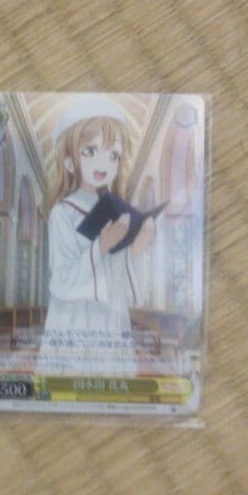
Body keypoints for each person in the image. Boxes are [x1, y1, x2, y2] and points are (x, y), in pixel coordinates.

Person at [44, 96, 154, 339]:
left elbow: (125, 283)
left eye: (113, 155)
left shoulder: (119, 212)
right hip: (73, 323)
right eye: (90, 151)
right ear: (69, 163)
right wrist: (103, 245)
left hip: (112, 320)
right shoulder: (62, 213)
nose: (103, 164)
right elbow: (61, 279)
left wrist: (138, 246)